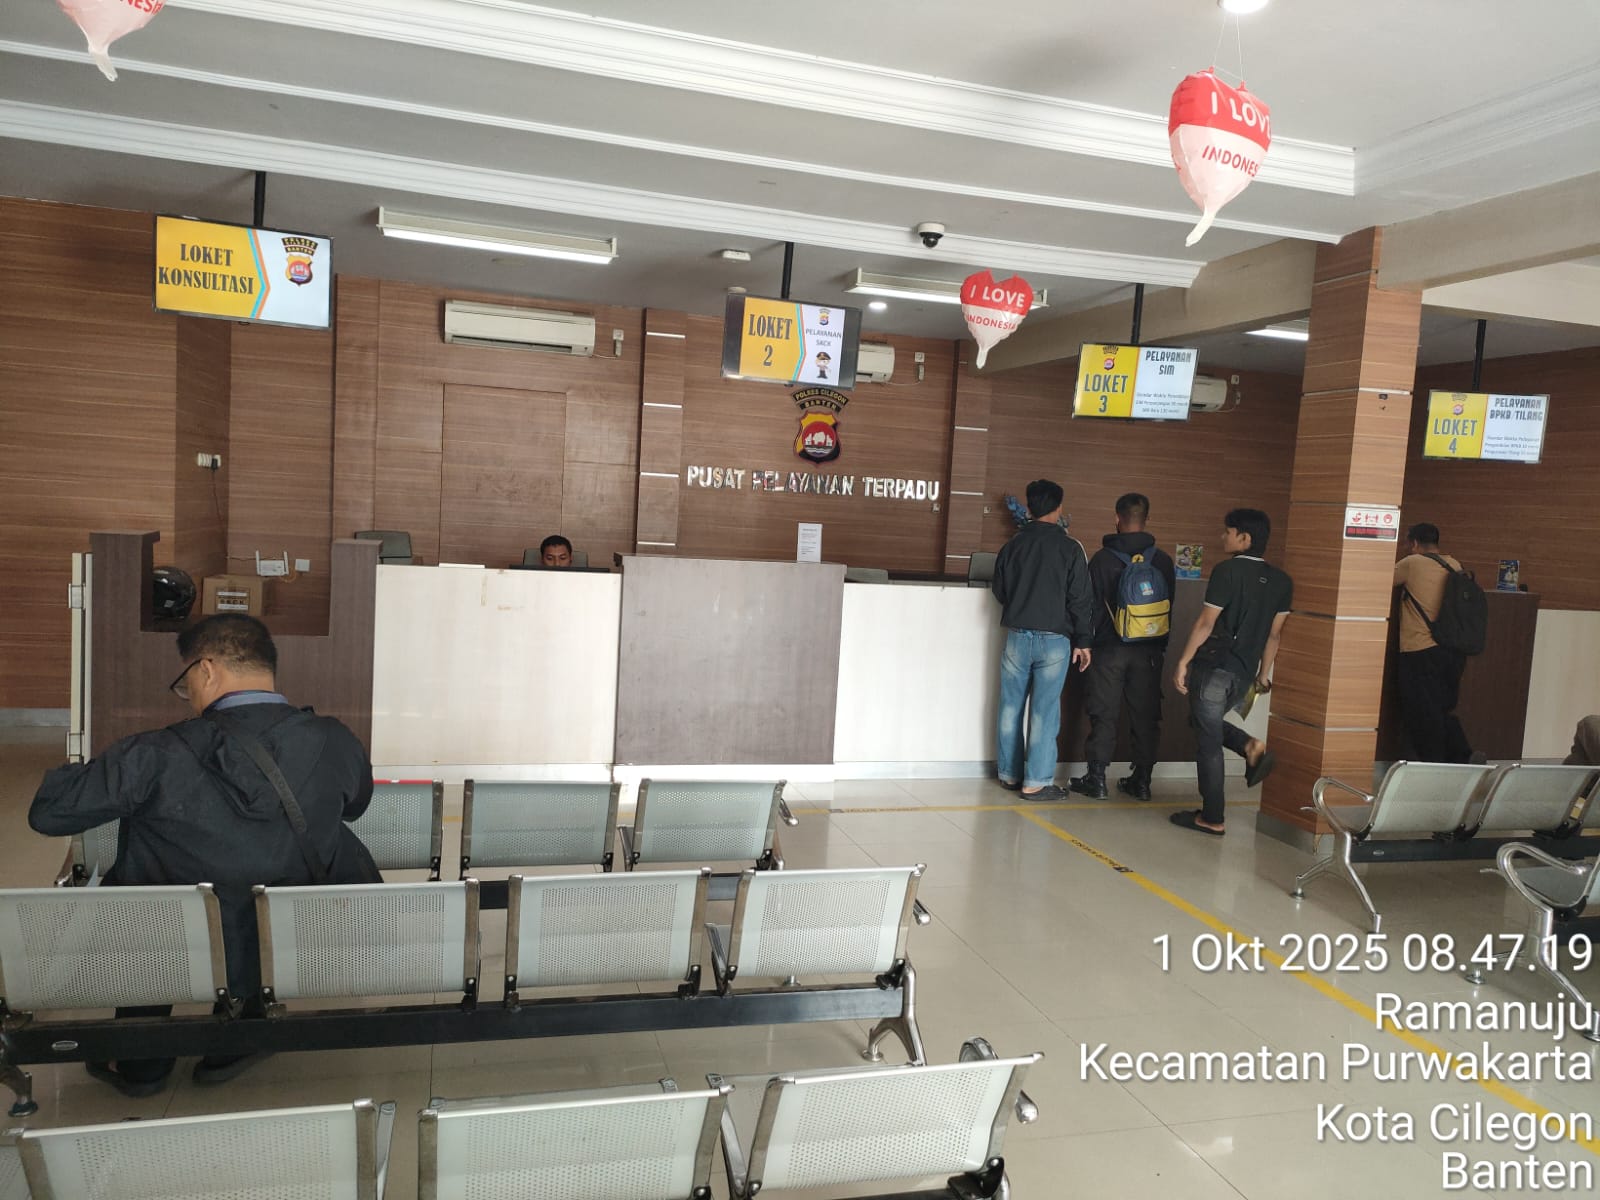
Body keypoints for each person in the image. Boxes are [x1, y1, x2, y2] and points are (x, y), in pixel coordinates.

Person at [30, 614, 379, 1097]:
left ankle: (142, 1060)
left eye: (186, 681)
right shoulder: (335, 740)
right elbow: (356, 807)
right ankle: (240, 1038)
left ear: (207, 669)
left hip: (171, 947)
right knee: (264, 880)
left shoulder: (153, 753)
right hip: (297, 935)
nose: (188, 694)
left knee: (153, 890)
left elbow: (49, 814)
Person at [1169, 509, 1291, 836]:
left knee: (1207, 742)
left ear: (1244, 538)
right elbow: (1274, 635)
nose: (1223, 536)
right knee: (1201, 723)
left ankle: (1212, 817)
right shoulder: (1282, 581)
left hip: (1215, 667)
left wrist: (1183, 661)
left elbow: (1206, 623)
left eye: (1228, 531)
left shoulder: (1227, 572)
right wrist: (1263, 674)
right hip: (1244, 672)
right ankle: (1249, 746)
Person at [991, 479, 1095, 800]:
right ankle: (1035, 782)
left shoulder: (1012, 546)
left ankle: (1009, 775)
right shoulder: (1071, 548)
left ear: (1030, 507)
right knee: (1044, 712)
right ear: (1059, 508)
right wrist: (1084, 641)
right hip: (1054, 641)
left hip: (1017, 638)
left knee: (1010, 708)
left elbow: (1000, 590)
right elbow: (1081, 600)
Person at [1070, 493, 1176, 802]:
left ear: (1117, 518)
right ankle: (1142, 781)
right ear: (1147, 519)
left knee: (1104, 713)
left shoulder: (1102, 560)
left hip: (1109, 650)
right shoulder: (1162, 561)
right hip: (1149, 652)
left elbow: (1088, 607)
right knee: (1146, 716)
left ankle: (1097, 779)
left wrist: (1085, 642)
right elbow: (1169, 607)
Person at [1393, 523, 1475, 764]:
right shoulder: (1454, 564)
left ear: (1414, 543)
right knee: (1441, 708)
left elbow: (1378, 581)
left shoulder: (1412, 563)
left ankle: (1437, 764)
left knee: (1422, 712)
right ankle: (1460, 758)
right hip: (1452, 651)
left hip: (1420, 649)